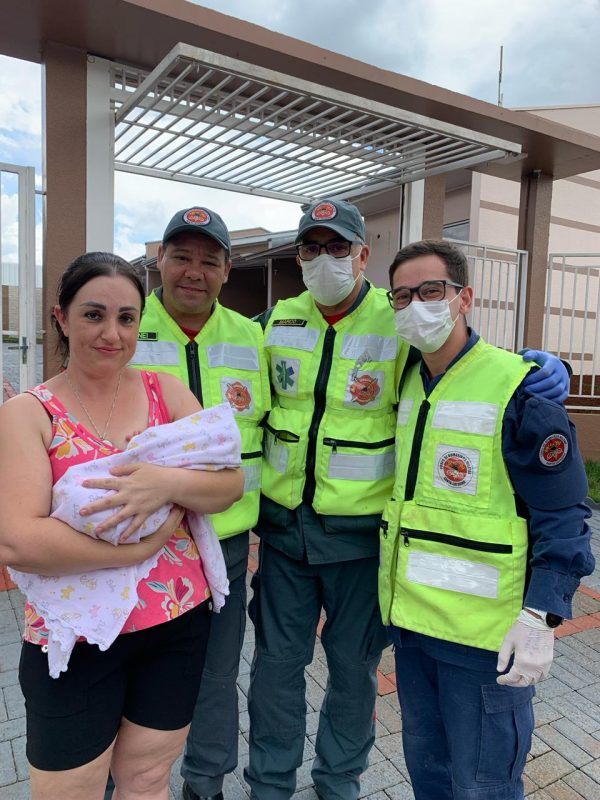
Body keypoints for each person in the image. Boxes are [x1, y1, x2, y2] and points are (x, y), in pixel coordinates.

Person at [245, 199, 570, 800]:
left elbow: (464, 362)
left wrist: (539, 367)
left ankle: (337, 785)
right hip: (286, 535)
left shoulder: (395, 321)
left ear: (362, 255)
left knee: (352, 676)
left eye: (338, 247)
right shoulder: (272, 323)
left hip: (362, 543)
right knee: (274, 672)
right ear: (298, 258)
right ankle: (268, 785)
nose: (324, 260)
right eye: (311, 249)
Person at [0, 252, 244, 800]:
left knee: (149, 779)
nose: (112, 333)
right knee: (70, 790)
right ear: (61, 317)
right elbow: (16, 537)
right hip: (76, 634)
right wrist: (137, 550)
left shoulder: (167, 392)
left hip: (175, 624)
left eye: (127, 318)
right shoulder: (29, 414)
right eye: (94, 315)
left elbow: (229, 485)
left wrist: (162, 484)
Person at [379, 239, 595, 800]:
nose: (415, 305)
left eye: (431, 291)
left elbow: (565, 513)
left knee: (484, 787)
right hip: (414, 630)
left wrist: (541, 614)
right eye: (402, 296)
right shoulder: (404, 381)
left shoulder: (517, 389)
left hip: (485, 640)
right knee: (429, 775)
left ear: (463, 298)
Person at [128, 207, 270, 800]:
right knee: (129, 672)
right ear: (159, 259)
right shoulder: (126, 327)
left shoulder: (251, 336)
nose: (194, 271)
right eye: (181, 257)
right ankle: (125, 781)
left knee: (216, 675)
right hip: (139, 545)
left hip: (227, 544)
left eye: (209, 260)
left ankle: (205, 783)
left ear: (228, 270)